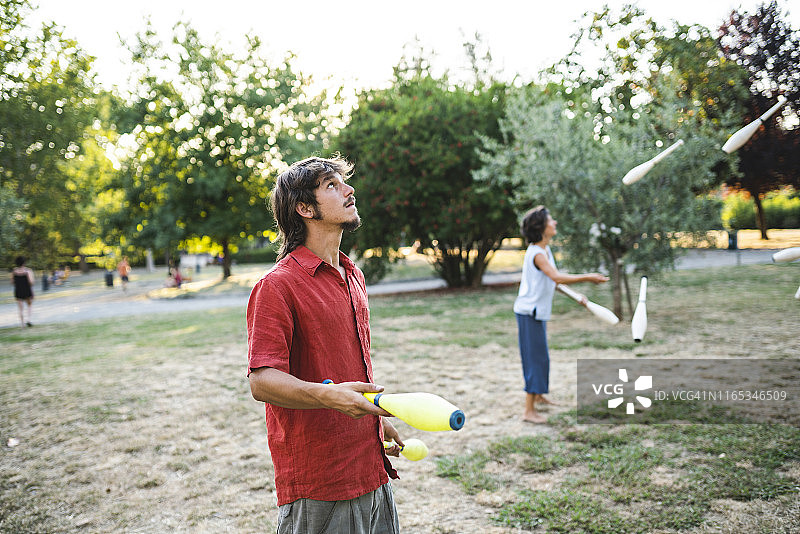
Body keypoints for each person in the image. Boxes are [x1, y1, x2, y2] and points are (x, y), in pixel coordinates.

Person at [246, 156, 403, 533]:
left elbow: (343, 367)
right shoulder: (277, 286)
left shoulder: (352, 274)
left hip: (370, 467)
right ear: (304, 208)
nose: (349, 191)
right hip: (322, 479)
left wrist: (373, 423)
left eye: (343, 182)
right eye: (331, 186)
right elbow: (262, 381)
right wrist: (330, 397)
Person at [514, 206, 609, 424]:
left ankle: (538, 396)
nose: (555, 222)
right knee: (535, 359)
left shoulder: (544, 251)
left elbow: (552, 282)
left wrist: (577, 297)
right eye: (551, 220)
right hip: (529, 313)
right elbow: (556, 276)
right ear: (542, 228)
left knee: (541, 357)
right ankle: (528, 411)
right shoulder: (538, 254)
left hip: (536, 313)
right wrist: (588, 277)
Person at [12, 256, 35, 327]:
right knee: (29, 305)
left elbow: (12, 282)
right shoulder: (28, 271)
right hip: (27, 290)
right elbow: (31, 282)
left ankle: (22, 325)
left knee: (20, 308)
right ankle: (28, 320)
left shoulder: (14, 271)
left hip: (18, 291)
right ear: (24, 263)